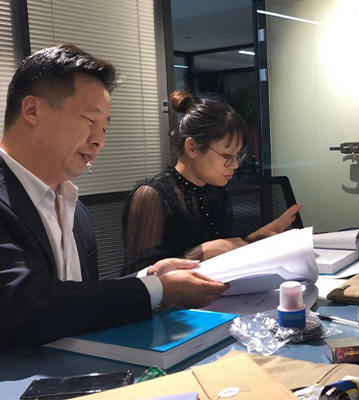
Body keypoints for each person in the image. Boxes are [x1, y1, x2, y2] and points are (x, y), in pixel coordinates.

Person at [0, 44, 229, 350]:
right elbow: (26, 306)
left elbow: (77, 299)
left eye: (104, 128)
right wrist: (157, 289)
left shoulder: (75, 209)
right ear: (32, 110)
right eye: (90, 121)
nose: (99, 141)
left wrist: (149, 276)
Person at [122, 91, 302, 275]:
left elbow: (219, 250)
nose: (234, 165)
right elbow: (138, 278)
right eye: (227, 156)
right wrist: (200, 253)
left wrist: (255, 238)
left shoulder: (212, 188)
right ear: (192, 148)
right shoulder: (151, 196)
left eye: (237, 156)